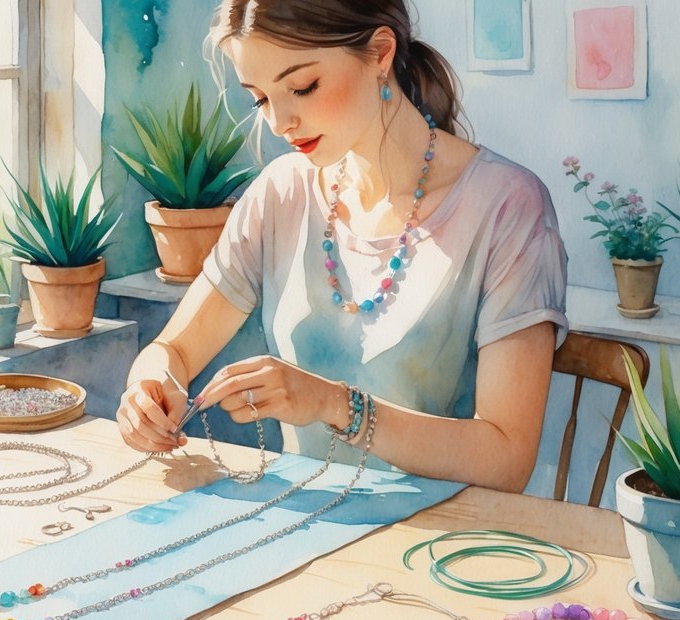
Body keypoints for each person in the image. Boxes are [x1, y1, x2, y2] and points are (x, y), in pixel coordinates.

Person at [116, 0, 568, 493]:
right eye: (260, 99)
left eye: (302, 87)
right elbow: (174, 350)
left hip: (443, 544)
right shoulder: (281, 193)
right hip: (302, 526)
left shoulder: (508, 208)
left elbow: (507, 459)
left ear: (379, 53)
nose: (279, 123)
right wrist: (150, 387)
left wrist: (333, 404)